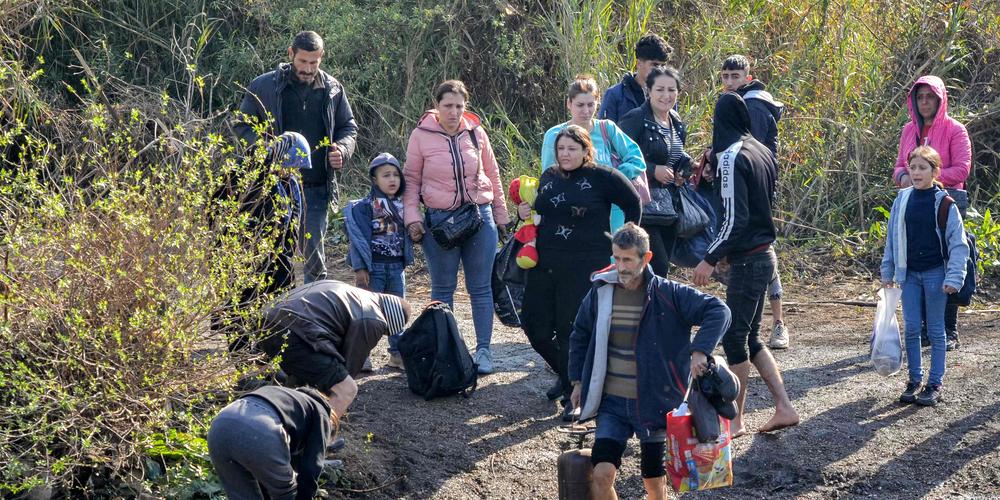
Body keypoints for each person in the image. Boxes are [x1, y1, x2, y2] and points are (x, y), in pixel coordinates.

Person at [567, 223, 730, 500]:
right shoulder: (601, 291)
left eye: (627, 259)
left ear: (647, 258)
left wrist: (700, 350)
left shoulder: (669, 294)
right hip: (612, 404)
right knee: (601, 474)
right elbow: (580, 334)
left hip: (656, 403)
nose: (620, 266)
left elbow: (719, 310)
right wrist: (577, 380)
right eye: (616, 258)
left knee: (654, 483)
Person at [692, 92, 799, 436]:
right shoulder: (762, 150)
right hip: (764, 254)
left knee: (735, 337)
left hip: (749, 259)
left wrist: (710, 257)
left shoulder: (731, 157)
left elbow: (734, 219)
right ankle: (783, 406)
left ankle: (735, 420)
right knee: (750, 336)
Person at [520, 125, 641, 420]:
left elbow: (633, 203)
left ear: (586, 150)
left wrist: (624, 242)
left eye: (572, 149)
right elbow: (538, 211)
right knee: (533, 325)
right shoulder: (549, 175)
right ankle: (566, 375)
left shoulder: (603, 176)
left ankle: (577, 394)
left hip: (585, 266)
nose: (565, 154)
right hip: (545, 263)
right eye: (561, 148)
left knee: (568, 330)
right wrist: (525, 211)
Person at [402, 80, 509, 375]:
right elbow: (410, 180)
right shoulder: (421, 135)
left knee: (481, 287)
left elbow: (493, 173)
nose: (454, 112)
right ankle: (448, 352)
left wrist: (501, 215)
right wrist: (412, 217)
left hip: (479, 216)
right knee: (442, 289)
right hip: (439, 222)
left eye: (459, 106)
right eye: (448, 105)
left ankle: (484, 351)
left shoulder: (475, 133)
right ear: (436, 105)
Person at [234, 30, 359, 284]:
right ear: (291, 54)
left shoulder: (333, 89)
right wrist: (269, 150)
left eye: (314, 62)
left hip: (315, 187)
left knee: (314, 258)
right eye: (303, 61)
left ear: (321, 57)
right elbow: (242, 125)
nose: (308, 68)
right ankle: (277, 314)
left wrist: (342, 151)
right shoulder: (264, 85)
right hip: (273, 187)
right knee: (273, 254)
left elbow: (349, 127)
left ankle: (315, 315)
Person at [882, 146, 968, 406]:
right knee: (911, 329)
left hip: (935, 275)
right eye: (913, 167)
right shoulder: (902, 199)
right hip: (909, 274)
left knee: (936, 329)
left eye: (922, 168)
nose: (916, 173)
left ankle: (934, 382)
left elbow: (958, 243)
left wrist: (954, 278)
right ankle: (914, 379)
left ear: (935, 171)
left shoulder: (945, 203)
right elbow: (892, 239)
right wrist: (888, 271)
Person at [892, 75, 972, 351]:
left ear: (940, 99)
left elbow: (962, 169)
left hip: (947, 203)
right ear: (914, 100)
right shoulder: (907, 131)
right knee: (917, 261)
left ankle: (948, 328)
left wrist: (930, 180)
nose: (925, 102)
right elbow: (900, 167)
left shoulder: (955, 130)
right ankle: (924, 328)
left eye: (930, 97)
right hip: (914, 203)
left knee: (946, 264)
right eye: (920, 97)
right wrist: (904, 177)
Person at [258, 280, 411, 418]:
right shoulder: (374, 320)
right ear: (391, 324)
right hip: (294, 331)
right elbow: (348, 365)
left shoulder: (356, 293)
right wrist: (335, 396)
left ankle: (290, 414)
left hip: (266, 320)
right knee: (347, 389)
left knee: (310, 372)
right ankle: (323, 436)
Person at [214, 131, 309, 353]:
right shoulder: (249, 177)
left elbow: (292, 221)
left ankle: (269, 356)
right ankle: (242, 360)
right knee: (241, 308)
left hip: (279, 259)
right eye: (291, 164)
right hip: (245, 257)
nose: (293, 171)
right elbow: (216, 207)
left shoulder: (291, 184)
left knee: (277, 310)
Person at [720, 54, 790, 349]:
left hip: (756, 192)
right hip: (744, 189)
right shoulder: (736, 104)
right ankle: (756, 326)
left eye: (736, 76)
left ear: (748, 78)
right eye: (725, 76)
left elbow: (751, 153)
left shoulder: (756, 106)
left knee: (763, 256)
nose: (730, 81)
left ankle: (778, 323)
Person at [540, 75, 646, 233]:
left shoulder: (607, 129)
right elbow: (548, 177)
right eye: (580, 105)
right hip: (571, 213)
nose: (586, 111)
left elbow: (636, 158)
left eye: (591, 104)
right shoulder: (554, 135)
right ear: (569, 104)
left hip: (613, 213)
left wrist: (616, 178)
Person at [619, 66, 691, 276]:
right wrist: (651, 170)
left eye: (671, 90)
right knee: (654, 266)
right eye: (660, 89)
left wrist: (683, 171)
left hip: (669, 207)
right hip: (642, 206)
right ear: (648, 91)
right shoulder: (636, 118)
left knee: (662, 268)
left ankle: (654, 306)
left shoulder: (676, 121)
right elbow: (617, 156)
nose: (666, 96)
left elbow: (676, 155)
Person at [208, 385, 336, 500]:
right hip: (260, 428)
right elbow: (311, 467)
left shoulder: (282, 396)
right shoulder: (321, 413)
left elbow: (263, 468)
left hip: (219, 426)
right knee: (288, 494)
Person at [345, 153, 412, 371]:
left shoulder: (404, 205)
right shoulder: (365, 206)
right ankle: (362, 355)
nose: (392, 180)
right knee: (368, 312)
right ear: (374, 180)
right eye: (386, 175)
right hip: (373, 268)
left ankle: (397, 354)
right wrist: (360, 267)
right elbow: (357, 240)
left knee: (396, 312)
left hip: (396, 268)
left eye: (395, 175)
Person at [599, 33, 673, 123]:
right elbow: (604, 133)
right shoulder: (615, 94)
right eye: (655, 65)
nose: (660, 70)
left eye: (663, 65)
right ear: (639, 63)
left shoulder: (668, 96)